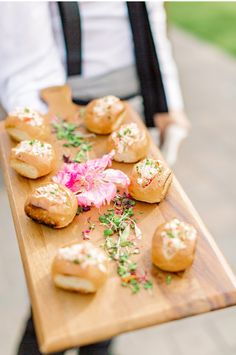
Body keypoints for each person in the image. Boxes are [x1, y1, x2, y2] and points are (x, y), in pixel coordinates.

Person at [0, 2, 190, 354]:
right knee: (58, 291)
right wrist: (46, 137)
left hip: (130, 109)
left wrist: (167, 103)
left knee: (116, 261)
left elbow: (151, 15)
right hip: (67, 117)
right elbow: (22, 61)